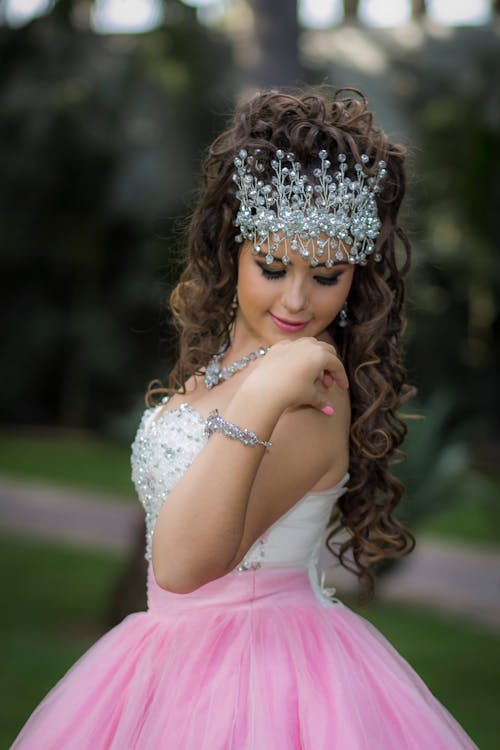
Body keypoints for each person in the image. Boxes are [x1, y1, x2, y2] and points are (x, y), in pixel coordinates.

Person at [11, 88, 478, 749]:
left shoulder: (311, 392)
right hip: (165, 660)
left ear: (355, 277)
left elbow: (181, 565)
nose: (296, 299)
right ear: (234, 250)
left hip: (263, 681)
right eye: (273, 266)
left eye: (327, 275)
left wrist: (264, 394)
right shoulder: (225, 365)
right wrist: (255, 384)